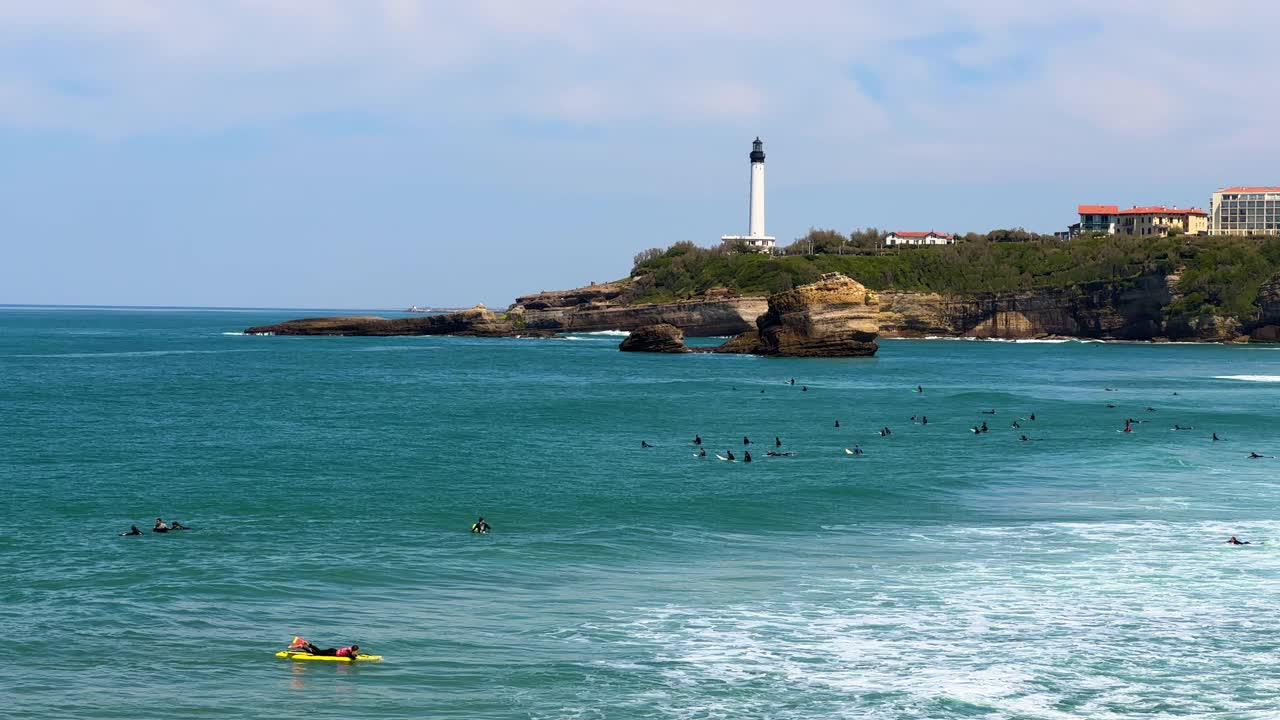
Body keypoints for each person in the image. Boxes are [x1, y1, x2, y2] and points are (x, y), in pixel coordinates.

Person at [290, 637, 361, 658]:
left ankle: (308, 644)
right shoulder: (349, 652)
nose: (356, 652)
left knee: (319, 651)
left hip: (333, 650)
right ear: (354, 650)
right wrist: (356, 656)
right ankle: (302, 646)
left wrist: (356, 654)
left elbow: (352, 654)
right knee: (316, 654)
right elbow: (352, 658)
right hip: (332, 653)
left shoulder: (349, 648)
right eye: (356, 650)